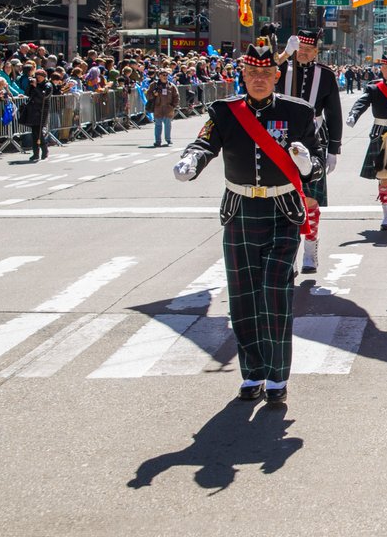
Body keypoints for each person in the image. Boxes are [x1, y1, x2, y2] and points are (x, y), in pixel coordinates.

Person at [172, 43, 323, 406]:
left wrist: (307, 165)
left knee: (275, 292)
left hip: (282, 209)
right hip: (239, 209)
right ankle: (252, 372)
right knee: (243, 296)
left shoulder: (297, 111)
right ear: (243, 75)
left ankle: (277, 375)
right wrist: (192, 159)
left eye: (265, 74)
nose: (258, 80)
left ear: (276, 76)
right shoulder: (225, 111)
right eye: (252, 74)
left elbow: (316, 160)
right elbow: (204, 141)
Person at [276, 29, 343, 272]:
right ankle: (290, 253)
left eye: (308, 49)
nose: (303, 53)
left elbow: (334, 113)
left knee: (311, 200)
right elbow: (257, 74)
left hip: (314, 140)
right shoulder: (281, 68)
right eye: (300, 49)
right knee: (284, 197)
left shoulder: (325, 76)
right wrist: (285, 54)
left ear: (316, 51)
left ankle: (310, 249)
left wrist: (334, 148)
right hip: (280, 138)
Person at [346, 45, 387, 232]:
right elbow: (362, 102)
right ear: (381, 68)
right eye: (386, 67)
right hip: (381, 133)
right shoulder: (374, 88)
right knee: (383, 177)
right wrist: (354, 114)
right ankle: (386, 217)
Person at [23, 68, 54, 162]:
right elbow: (27, 93)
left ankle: (44, 150)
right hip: (33, 109)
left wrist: (36, 86)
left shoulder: (48, 85)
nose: (38, 78)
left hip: (42, 110)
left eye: (40, 77)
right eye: (37, 77)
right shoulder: (35, 83)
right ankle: (36, 153)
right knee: (34, 132)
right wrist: (31, 85)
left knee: (39, 132)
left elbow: (44, 96)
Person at [146, 68, 180, 147]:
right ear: (159, 76)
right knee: (158, 125)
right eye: (163, 75)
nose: (165, 76)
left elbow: (176, 97)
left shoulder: (171, 86)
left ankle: (168, 139)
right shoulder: (154, 85)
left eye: (166, 75)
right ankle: (158, 141)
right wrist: (154, 95)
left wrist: (173, 106)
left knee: (168, 125)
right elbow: (148, 95)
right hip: (158, 108)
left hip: (168, 109)